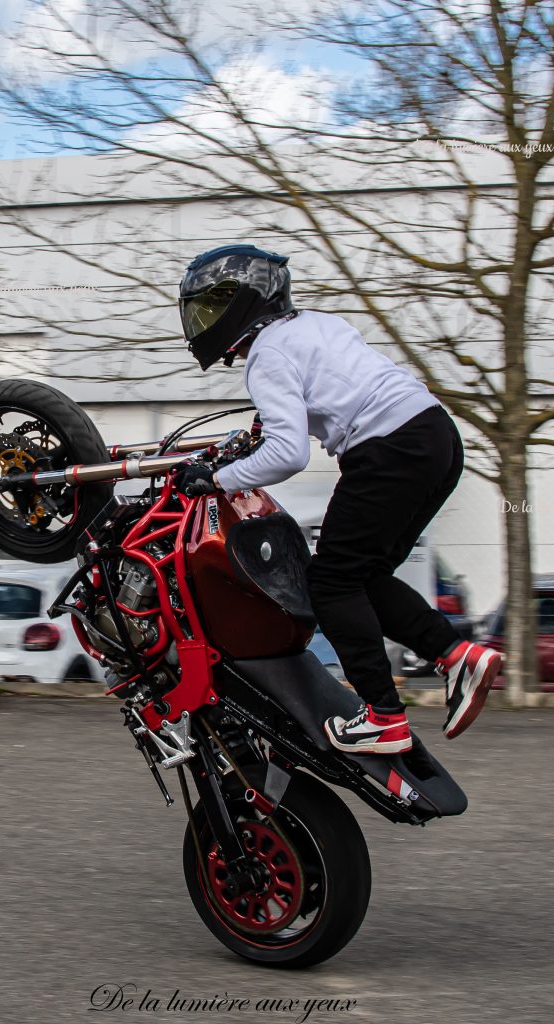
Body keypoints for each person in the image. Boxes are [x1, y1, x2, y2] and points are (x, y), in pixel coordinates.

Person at [172, 243, 501, 755]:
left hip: (387, 450)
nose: (202, 322)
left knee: (328, 582)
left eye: (209, 307)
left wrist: (218, 479)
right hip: (435, 438)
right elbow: (321, 395)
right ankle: (455, 653)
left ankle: (384, 718)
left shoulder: (266, 355)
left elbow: (287, 453)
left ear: (243, 301)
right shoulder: (316, 325)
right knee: (361, 577)